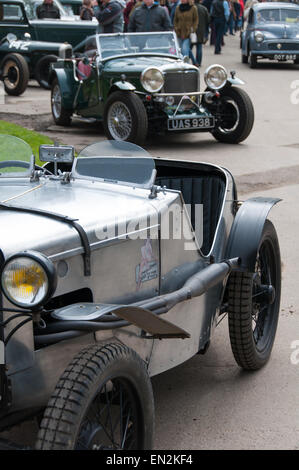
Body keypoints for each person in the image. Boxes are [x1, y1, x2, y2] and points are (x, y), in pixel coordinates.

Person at [190, 0, 209, 66]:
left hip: (192, 30)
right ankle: (198, 62)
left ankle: (193, 60)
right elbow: (207, 21)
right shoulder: (204, 9)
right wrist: (206, 32)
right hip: (201, 30)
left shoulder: (191, 8)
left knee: (189, 47)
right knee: (199, 47)